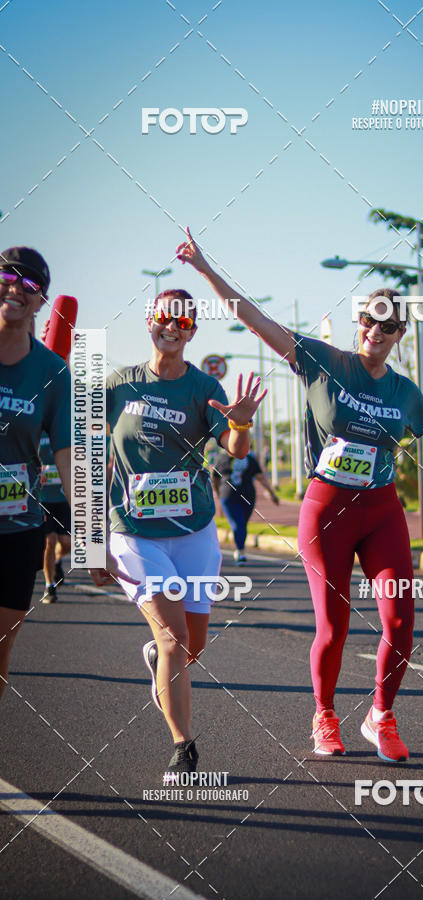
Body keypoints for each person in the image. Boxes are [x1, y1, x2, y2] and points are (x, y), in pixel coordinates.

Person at [176, 229, 423, 763]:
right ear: (359, 324)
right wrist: (205, 269)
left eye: (389, 326)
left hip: (381, 509)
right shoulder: (322, 361)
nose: (376, 330)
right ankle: (324, 715)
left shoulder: (404, 391)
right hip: (326, 508)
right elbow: (255, 318)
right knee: (335, 624)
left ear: (398, 334)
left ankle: (381, 715)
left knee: (399, 617)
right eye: (369, 320)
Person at [96, 288, 265, 775]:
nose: (171, 326)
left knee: (192, 645)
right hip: (134, 533)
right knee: (174, 641)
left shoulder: (201, 387)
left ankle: (161, 660)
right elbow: (83, 452)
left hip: (193, 529)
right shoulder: (118, 385)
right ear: (149, 321)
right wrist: (91, 544)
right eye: (163, 317)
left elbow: (232, 447)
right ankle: (183, 747)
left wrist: (242, 424)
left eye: (183, 322)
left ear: (192, 331)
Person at [0, 246, 126, 701]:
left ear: (40, 303)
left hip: (16, 529)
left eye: (30, 284)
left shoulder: (52, 373)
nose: (16, 287)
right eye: (7, 276)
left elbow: (73, 463)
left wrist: (94, 545)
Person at [211, 446, 279, 564]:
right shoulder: (221, 459)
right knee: (237, 525)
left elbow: (260, 477)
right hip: (228, 496)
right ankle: (241, 552)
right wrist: (217, 494)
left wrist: (272, 493)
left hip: (248, 497)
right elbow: (215, 478)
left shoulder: (249, 459)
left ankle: (239, 548)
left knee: (243, 524)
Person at [39, 433, 71, 602]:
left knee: (67, 543)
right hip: (44, 499)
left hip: (64, 498)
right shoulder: (36, 430)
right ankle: (49, 586)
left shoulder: (65, 430)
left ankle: (57, 561)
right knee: (50, 541)